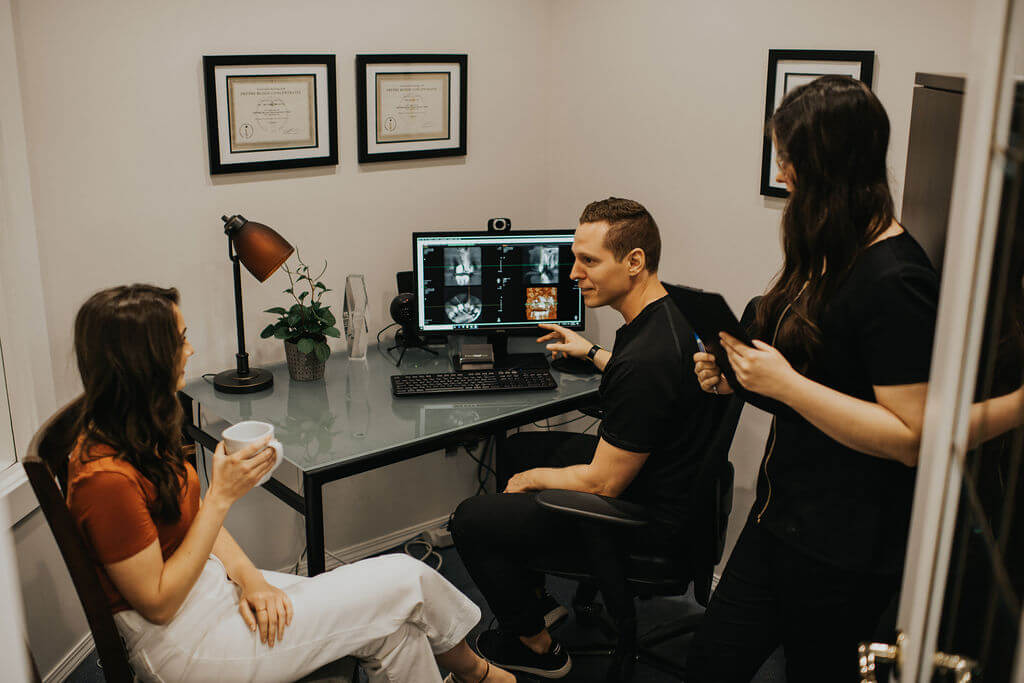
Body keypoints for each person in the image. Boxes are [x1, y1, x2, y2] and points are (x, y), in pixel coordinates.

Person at [62, 284, 516, 683]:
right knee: (406, 578)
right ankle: (477, 672)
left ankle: (473, 675)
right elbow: (158, 604)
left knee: (396, 632)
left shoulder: (139, 430)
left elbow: (192, 527)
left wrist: (250, 580)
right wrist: (221, 496)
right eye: (180, 339)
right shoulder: (104, 481)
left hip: (212, 591)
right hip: (183, 645)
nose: (191, 350)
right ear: (144, 361)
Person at [686, 75, 942, 682]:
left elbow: (911, 437)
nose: (783, 172)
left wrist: (784, 385)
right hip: (779, 516)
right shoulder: (826, 248)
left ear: (829, 165)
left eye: (788, 158)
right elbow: (817, 371)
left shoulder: (897, 281)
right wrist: (738, 377)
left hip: (843, 548)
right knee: (709, 665)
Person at [450, 197, 718, 678]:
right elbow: (653, 386)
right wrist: (594, 351)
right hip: (674, 484)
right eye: (575, 258)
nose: (573, 274)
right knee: (515, 449)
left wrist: (533, 480)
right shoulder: (672, 314)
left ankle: (537, 646)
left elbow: (602, 485)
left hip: (640, 513)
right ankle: (535, 600)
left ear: (634, 262)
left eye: (589, 261)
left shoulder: (645, 362)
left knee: (470, 518)